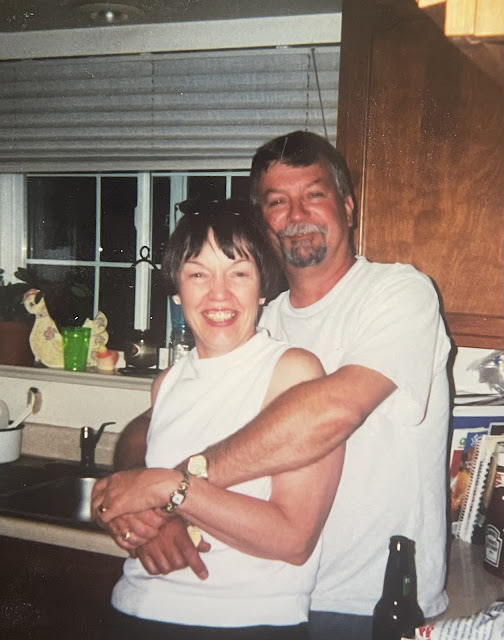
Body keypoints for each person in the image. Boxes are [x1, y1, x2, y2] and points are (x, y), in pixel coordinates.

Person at [106, 130, 451, 640]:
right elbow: (152, 422)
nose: (296, 215)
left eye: (314, 195)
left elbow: (333, 412)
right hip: (265, 595)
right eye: (276, 202)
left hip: (367, 600)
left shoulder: (397, 293)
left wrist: (173, 488)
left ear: (348, 208)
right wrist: (144, 505)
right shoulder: (253, 323)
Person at [92, 198, 344, 640]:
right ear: (177, 290)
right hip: (134, 610)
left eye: (238, 273)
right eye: (198, 275)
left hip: (245, 622)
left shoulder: (294, 371)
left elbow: (294, 539)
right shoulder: (167, 382)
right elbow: (134, 486)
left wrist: (171, 489)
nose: (219, 294)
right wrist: (124, 516)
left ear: (262, 287)